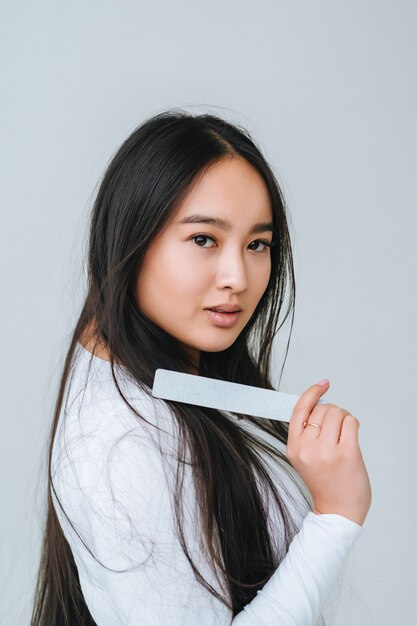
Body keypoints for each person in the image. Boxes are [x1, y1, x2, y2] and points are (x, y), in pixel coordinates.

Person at [31, 109, 372, 625]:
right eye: (204, 239)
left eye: (257, 244)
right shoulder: (120, 449)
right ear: (130, 239)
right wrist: (335, 517)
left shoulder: (166, 364)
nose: (237, 276)